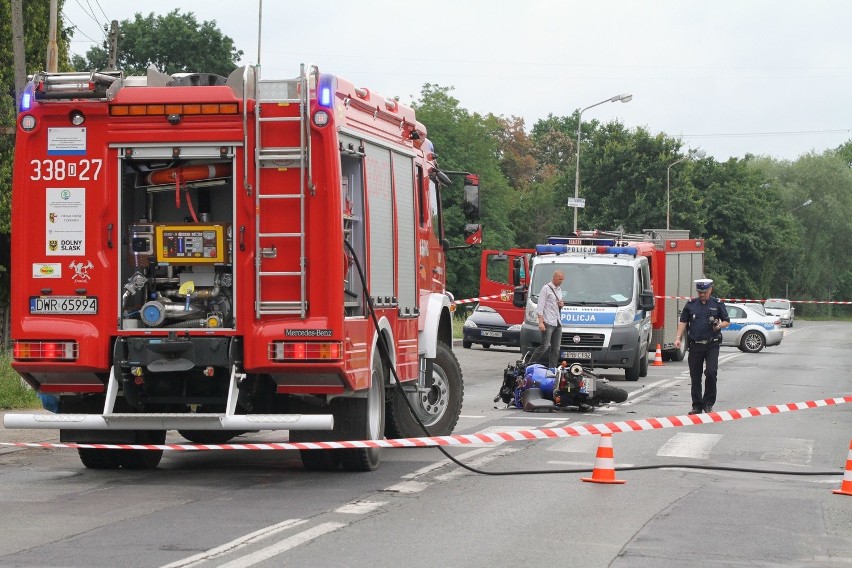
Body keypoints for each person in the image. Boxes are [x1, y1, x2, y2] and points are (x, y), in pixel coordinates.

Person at [674, 278, 730, 414]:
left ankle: (708, 403)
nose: (702, 294)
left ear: (710, 290)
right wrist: (678, 338)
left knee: (711, 373)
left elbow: (727, 321)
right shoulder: (691, 304)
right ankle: (697, 405)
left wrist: (719, 326)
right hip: (695, 345)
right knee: (695, 376)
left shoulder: (717, 304)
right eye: (699, 292)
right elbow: (683, 321)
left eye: (704, 292)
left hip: (712, 344)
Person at [533, 270, 565, 368]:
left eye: (562, 280)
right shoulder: (545, 289)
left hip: (557, 322)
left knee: (556, 349)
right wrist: (541, 322)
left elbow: (557, 305)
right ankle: (529, 364)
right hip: (548, 322)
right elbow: (540, 306)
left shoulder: (559, 290)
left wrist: (561, 305)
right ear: (554, 277)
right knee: (544, 346)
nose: (561, 281)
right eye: (560, 279)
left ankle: (553, 369)